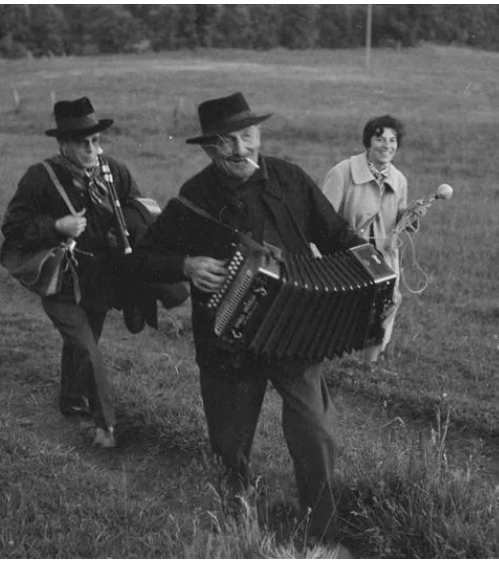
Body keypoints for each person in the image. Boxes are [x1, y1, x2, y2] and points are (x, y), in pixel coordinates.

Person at [127, 92, 366, 544]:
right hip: (227, 342)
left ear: (260, 134)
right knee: (230, 448)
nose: (241, 149)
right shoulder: (193, 199)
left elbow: (335, 235)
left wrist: (370, 262)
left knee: (316, 433)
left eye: (248, 135)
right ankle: (239, 531)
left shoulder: (291, 179)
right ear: (208, 148)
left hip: (295, 329)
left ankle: (322, 536)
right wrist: (186, 266)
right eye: (226, 141)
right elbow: (141, 258)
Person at [0, 97, 142, 449]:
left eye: (96, 141)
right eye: (83, 143)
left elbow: (142, 208)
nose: (92, 149)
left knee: (82, 343)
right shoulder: (41, 176)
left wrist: (122, 228)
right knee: (87, 346)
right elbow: (13, 227)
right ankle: (106, 425)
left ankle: (71, 400)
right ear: (63, 144)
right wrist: (56, 226)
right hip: (58, 280)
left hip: (97, 279)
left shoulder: (114, 171)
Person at [321, 115, 409, 365]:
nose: (387, 145)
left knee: (387, 305)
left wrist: (411, 216)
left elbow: (398, 221)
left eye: (392, 140)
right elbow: (322, 218)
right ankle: (329, 360)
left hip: (384, 257)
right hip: (348, 254)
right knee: (341, 309)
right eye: (380, 138)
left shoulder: (399, 179)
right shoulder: (342, 172)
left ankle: (368, 365)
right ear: (368, 142)